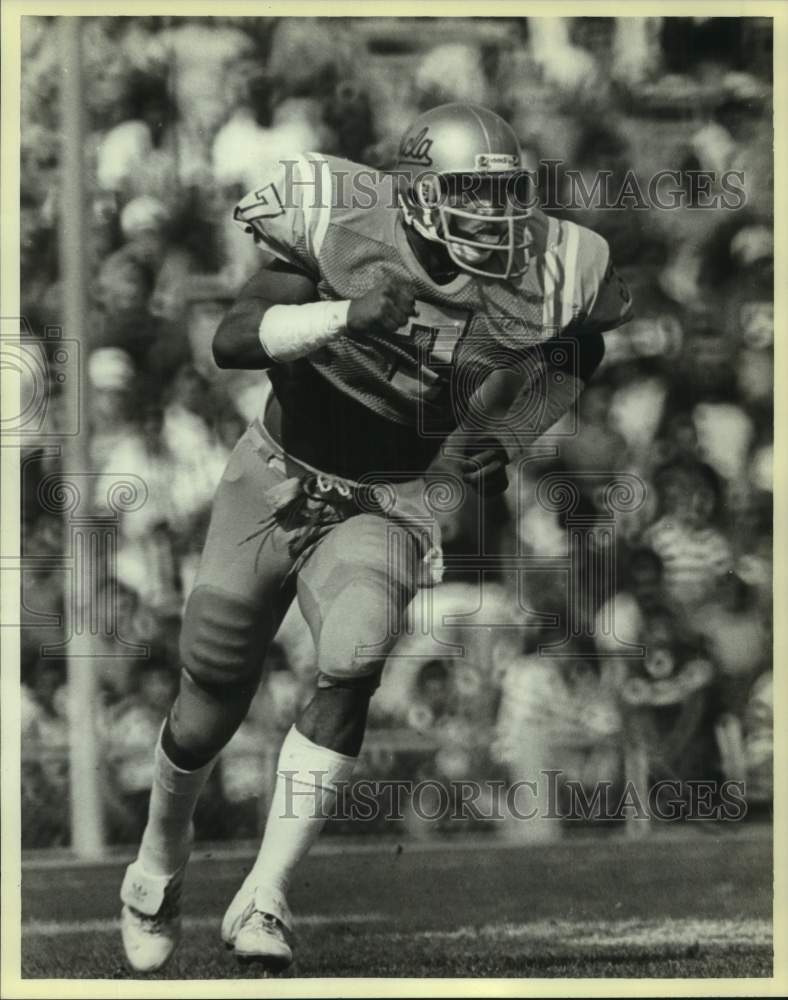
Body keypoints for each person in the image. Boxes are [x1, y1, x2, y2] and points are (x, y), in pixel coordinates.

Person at [119, 102, 633, 973]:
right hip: (275, 475)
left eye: (508, 196)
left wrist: (509, 435)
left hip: (390, 499)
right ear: (419, 196)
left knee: (354, 658)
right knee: (206, 703)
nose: (498, 218)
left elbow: (584, 348)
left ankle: (266, 896)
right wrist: (344, 316)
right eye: (474, 196)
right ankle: (160, 856)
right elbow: (233, 338)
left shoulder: (553, 265)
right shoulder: (335, 211)